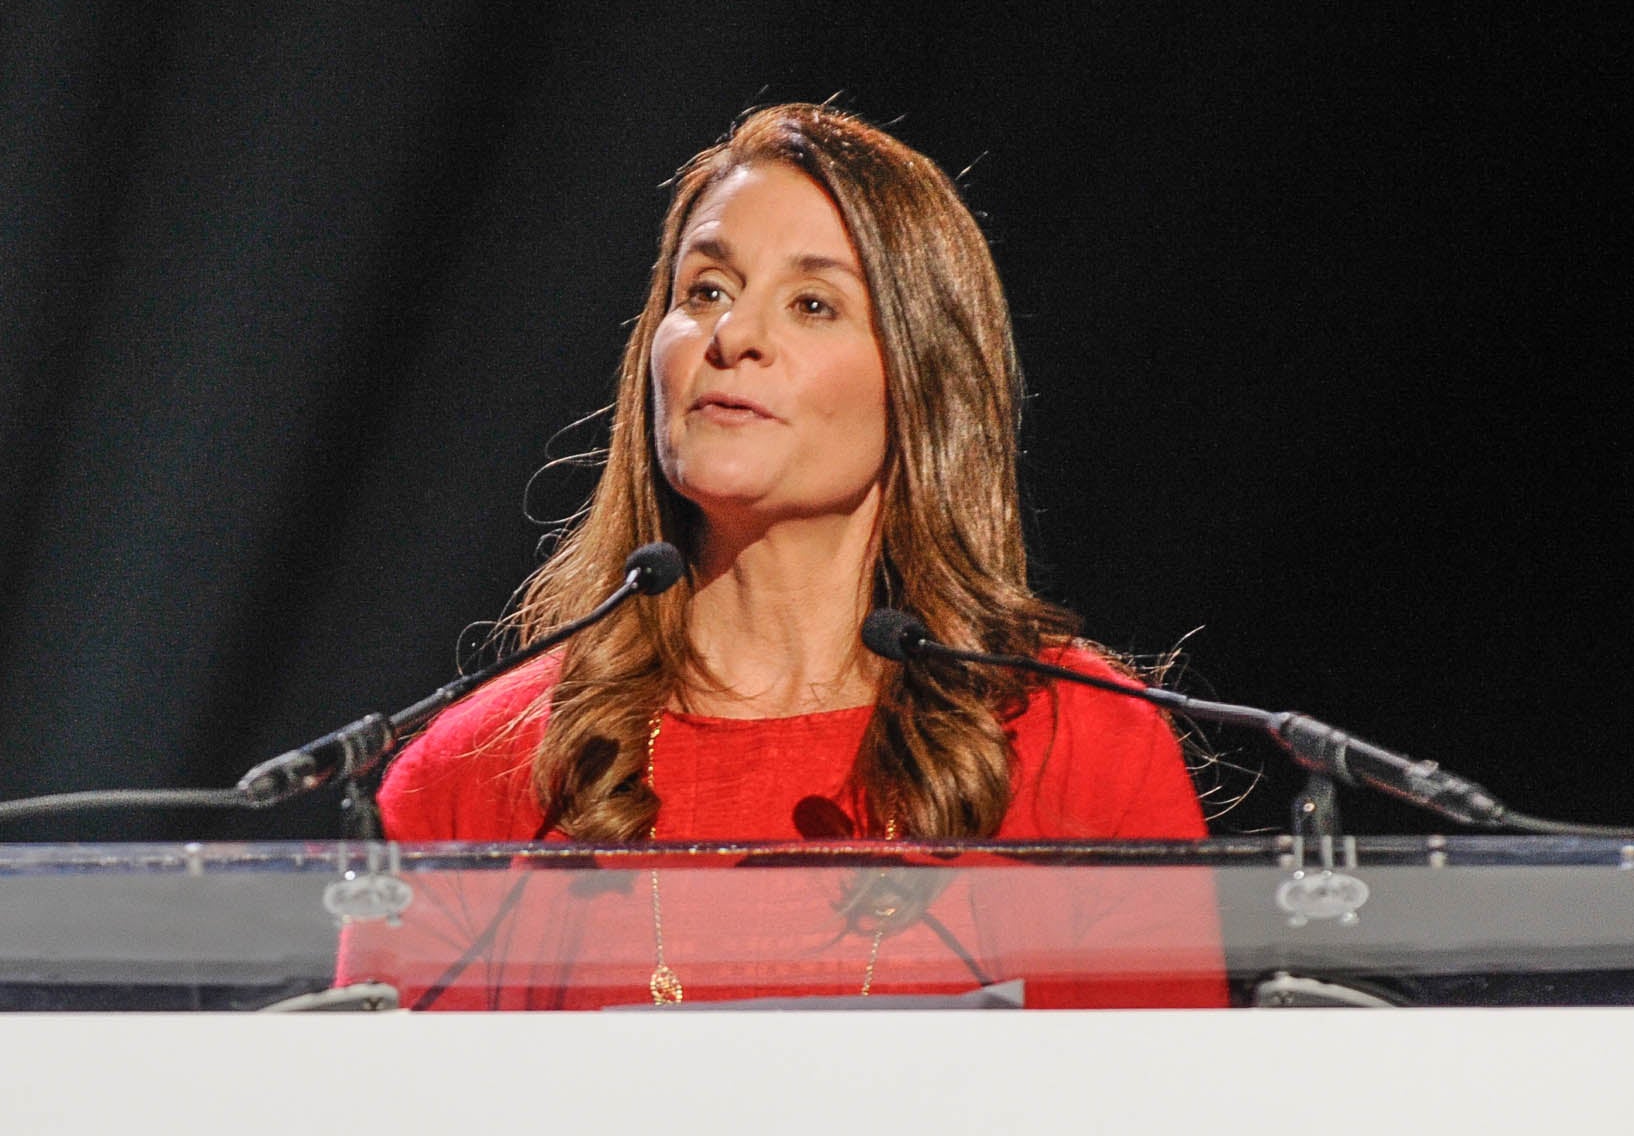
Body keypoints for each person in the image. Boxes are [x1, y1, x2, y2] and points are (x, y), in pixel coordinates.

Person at [344, 103, 1223, 1009]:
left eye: (813, 305)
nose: (733, 338)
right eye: (705, 291)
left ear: (922, 379)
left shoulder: (1079, 748)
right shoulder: (477, 772)